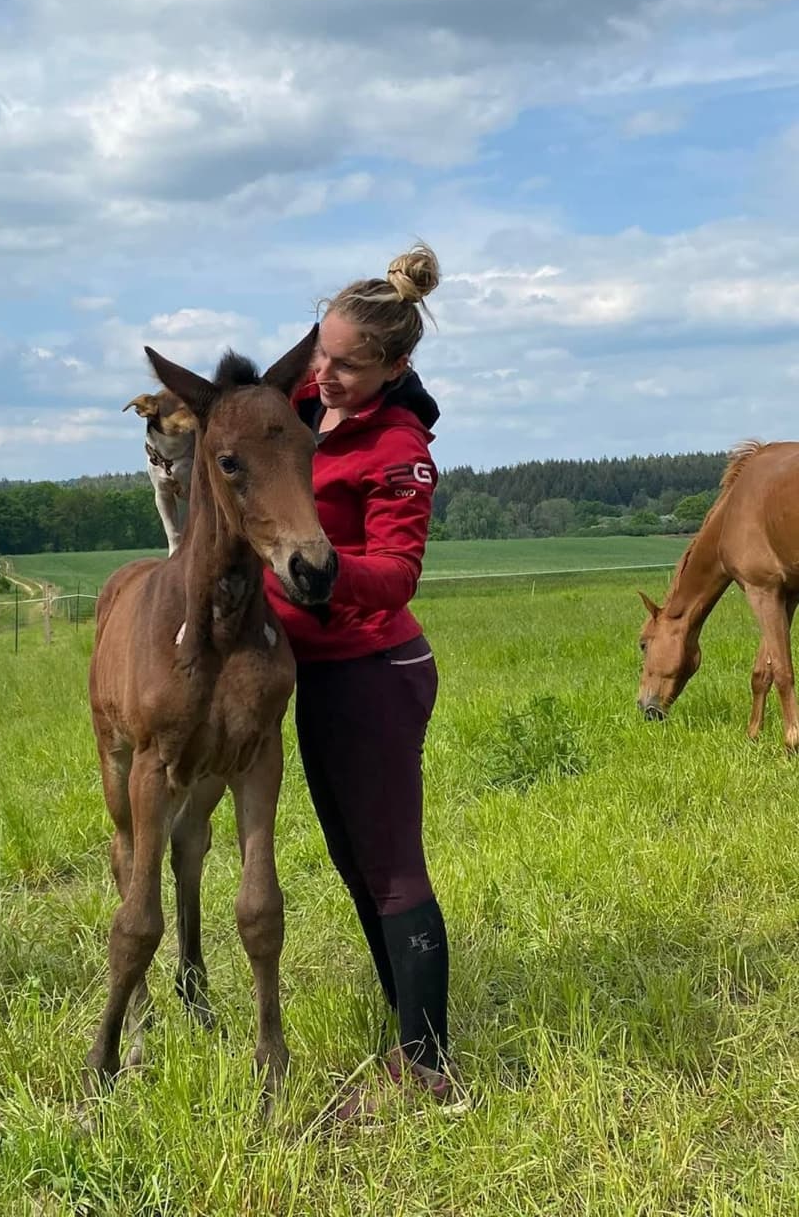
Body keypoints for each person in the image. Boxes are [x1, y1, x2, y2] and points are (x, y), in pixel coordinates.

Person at [263, 241, 469, 1119]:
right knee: (353, 862)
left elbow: (397, 571)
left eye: (349, 365)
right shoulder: (312, 400)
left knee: (389, 868)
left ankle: (428, 1071)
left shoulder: (399, 447)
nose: (327, 375)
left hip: (376, 670)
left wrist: (325, 572)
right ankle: (405, 1027)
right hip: (321, 673)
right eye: (322, 354)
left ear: (397, 366)